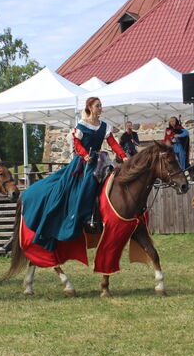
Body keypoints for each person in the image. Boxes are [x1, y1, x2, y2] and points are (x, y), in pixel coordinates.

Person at [21, 97, 128, 251]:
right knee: (90, 182)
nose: (100, 108)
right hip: (84, 162)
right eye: (97, 106)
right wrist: (84, 154)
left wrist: (123, 156)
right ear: (90, 108)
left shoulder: (104, 126)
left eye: (100, 106)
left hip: (100, 159)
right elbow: (76, 143)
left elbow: (113, 143)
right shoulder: (82, 125)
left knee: (113, 178)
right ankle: (87, 217)